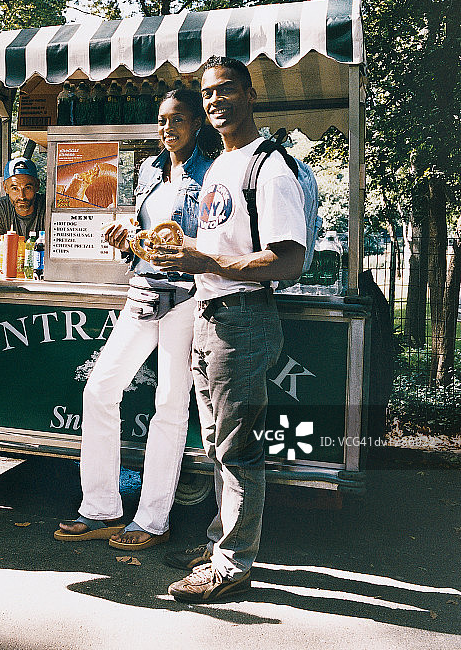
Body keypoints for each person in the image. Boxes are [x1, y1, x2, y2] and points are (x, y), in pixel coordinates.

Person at [150, 57, 306, 602]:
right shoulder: (220, 165)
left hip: (243, 318)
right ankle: (223, 545)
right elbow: (213, 249)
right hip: (210, 314)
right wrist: (172, 248)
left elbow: (289, 260)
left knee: (237, 449)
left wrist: (205, 262)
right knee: (219, 443)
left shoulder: (269, 166)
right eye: (209, 93)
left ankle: (232, 564)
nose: (216, 100)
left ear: (250, 95)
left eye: (226, 90)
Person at [54, 88, 214, 549]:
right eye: (162, 120)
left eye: (178, 119)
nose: (168, 128)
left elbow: (212, 240)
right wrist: (127, 237)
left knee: (170, 404)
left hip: (186, 296)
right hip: (143, 291)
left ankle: (152, 520)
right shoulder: (148, 170)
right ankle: (101, 509)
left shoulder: (211, 173)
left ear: (197, 123)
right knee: (100, 390)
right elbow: (144, 234)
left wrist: (179, 248)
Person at [0, 157, 46, 257]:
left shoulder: (48, 206)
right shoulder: (1, 207)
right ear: (5, 188)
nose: (22, 196)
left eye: (28, 188)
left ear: (37, 186)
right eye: (15, 188)